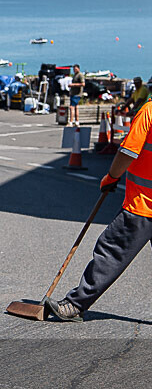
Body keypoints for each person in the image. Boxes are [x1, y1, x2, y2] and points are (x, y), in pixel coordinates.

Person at [46, 98, 152, 321]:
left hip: (143, 204)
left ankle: (75, 304)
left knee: (111, 252)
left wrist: (112, 176)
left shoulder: (150, 110)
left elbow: (128, 152)